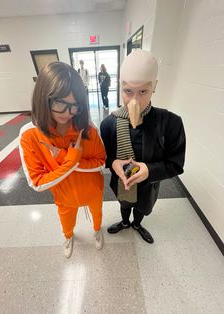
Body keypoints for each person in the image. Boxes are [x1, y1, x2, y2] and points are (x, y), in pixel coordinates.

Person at [19, 62, 106, 258]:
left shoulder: (88, 129)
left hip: (93, 190)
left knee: (97, 215)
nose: (68, 113)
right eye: (60, 104)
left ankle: (97, 229)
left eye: (75, 106)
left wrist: (64, 157)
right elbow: (37, 183)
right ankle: (68, 236)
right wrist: (71, 159)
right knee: (66, 221)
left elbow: (101, 162)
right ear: (43, 98)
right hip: (64, 196)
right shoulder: (30, 135)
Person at [100, 50, 186, 244]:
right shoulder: (108, 124)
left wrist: (150, 169)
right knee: (124, 203)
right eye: (128, 91)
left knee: (142, 207)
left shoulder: (170, 123)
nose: (134, 101)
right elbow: (103, 157)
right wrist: (113, 163)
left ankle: (137, 224)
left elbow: (175, 164)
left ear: (154, 87)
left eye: (143, 92)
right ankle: (124, 222)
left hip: (149, 185)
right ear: (120, 87)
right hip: (122, 182)